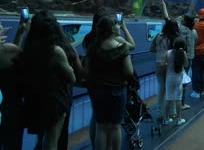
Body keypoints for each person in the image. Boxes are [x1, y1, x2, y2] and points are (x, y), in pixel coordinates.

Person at [21, 11, 77, 150]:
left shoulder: (28, 46)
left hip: (35, 98)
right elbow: (72, 78)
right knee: (52, 140)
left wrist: (22, 31)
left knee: (42, 138)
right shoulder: (56, 51)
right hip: (54, 102)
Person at [87, 16, 135, 150]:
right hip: (117, 90)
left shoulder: (93, 48)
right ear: (113, 29)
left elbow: (87, 71)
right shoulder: (122, 48)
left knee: (101, 126)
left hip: (98, 90)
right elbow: (129, 72)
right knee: (115, 127)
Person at [82, 8, 111, 149]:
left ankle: (95, 146)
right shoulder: (107, 41)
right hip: (106, 83)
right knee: (107, 121)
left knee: (96, 116)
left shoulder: (88, 39)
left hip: (92, 82)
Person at [0, 19, 28, 150]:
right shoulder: (6, 51)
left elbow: (12, 57)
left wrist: (19, 33)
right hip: (12, 108)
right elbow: (18, 55)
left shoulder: (5, 52)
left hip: (5, 105)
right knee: (12, 143)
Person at [150, 1, 180, 121]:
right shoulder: (176, 39)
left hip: (159, 64)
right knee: (171, 88)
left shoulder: (158, 36)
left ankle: (160, 113)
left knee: (161, 88)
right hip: (171, 64)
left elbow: (151, 49)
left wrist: (159, 53)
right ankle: (172, 112)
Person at [164, 37, 189, 125]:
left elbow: (164, 64)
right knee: (178, 98)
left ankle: (166, 119)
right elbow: (186, 65)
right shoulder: (184, 53)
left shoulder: (168, 52)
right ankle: (179, 119)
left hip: (169, 78)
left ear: (174, 44)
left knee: (168, 98)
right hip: (178, 78)